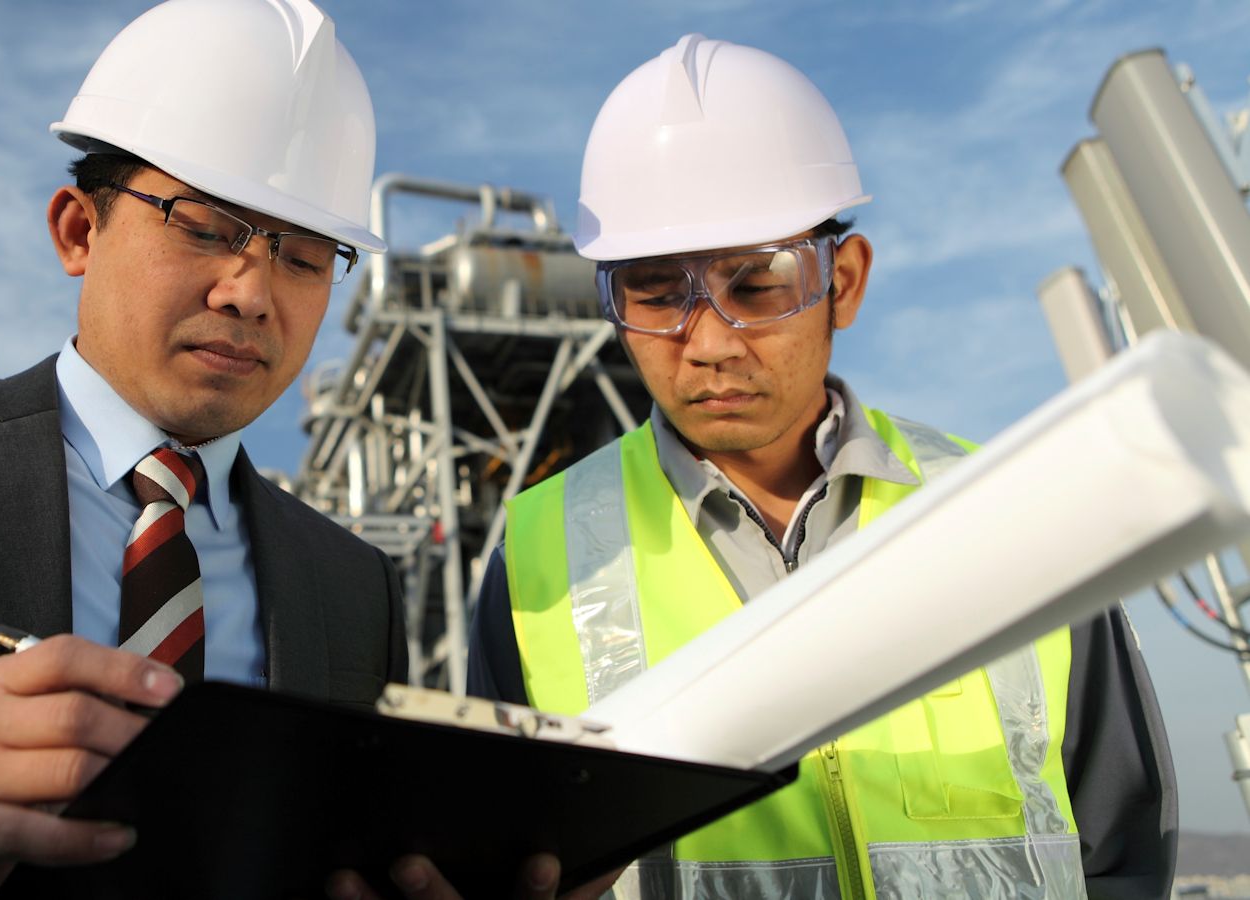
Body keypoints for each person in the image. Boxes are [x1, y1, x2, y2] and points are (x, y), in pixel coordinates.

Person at [468, 35, 1177, 900]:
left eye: (759, 282)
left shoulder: (1013, 518)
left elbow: (1122, 851)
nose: (712, 343)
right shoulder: (537, 565)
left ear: (844, 278)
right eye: (656, 290)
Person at [0, 1, 414, 896]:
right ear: (77, 230)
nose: (251, 291)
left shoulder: (352, 586)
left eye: (302, 256)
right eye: (205, 225)